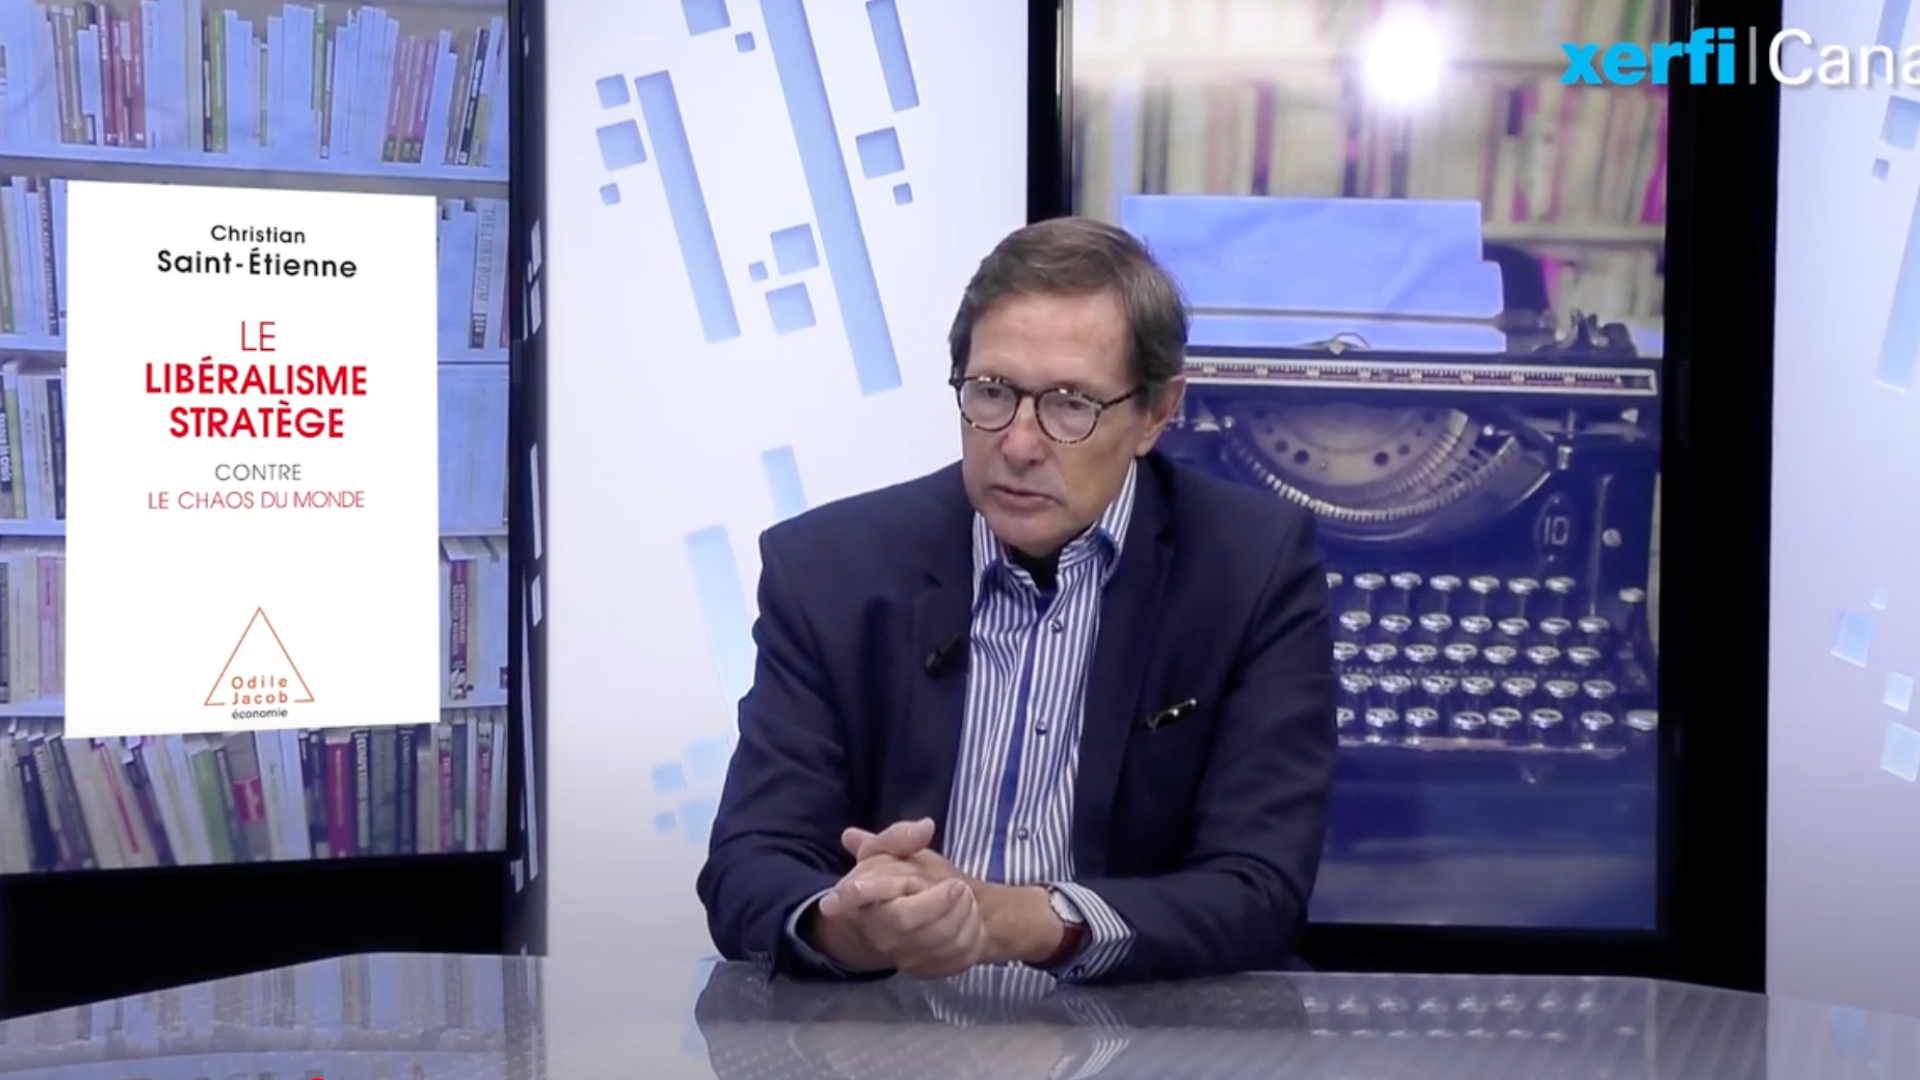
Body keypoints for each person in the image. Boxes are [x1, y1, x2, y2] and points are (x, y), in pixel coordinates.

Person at [695, 216, 1336, 984]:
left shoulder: (1250, 569)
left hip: (1138, 1033)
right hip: (885, 1029)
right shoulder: (829, 571)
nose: (1020, 444)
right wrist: (850, 927)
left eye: (1071, 404)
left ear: (1156, 413)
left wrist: (1022, 921)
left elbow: (1258, 890)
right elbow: (749, 864)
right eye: (991, 392)